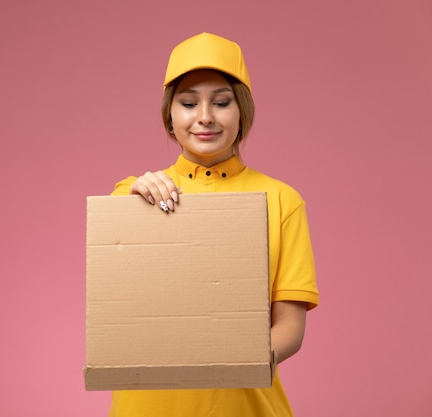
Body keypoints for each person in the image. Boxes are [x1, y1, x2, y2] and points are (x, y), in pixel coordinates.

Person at [107, 32, 320, 417]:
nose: (205, 116)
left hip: (243, 407)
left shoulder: (283, 200)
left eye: (221, 102)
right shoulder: (134, 195)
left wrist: (231, 361)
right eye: (189, 103)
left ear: (242, 114)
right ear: (169, 116)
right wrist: (133, 199)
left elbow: (289, 326)